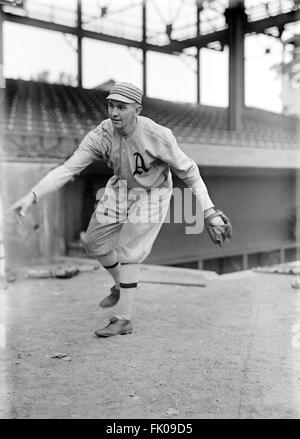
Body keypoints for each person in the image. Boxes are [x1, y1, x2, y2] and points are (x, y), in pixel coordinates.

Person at [9, 82, 232, 338]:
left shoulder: (158, 135)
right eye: (111, 106)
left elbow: (191, 174)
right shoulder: (101, 135)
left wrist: (209, 211)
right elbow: (68, 169)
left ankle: (123, 318)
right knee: (94, 242)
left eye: (121, 107)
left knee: (129, 250)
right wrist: (32, 194)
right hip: (121, 188)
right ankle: (119, 284)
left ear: (136, 109)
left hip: (154, 192)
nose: (114, 112)